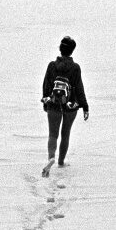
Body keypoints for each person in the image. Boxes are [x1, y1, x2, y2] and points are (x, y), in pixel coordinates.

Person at [40, 36, 89, 177]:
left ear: (60, 49)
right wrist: (85, 106)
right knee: (65, 134)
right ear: (72, 51)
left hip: (53, 103)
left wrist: (46, 102)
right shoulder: (75, 68)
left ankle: (51, 158)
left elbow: (46, 86)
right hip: (70, 105)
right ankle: (61, 162)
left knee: (53, 134)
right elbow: (79, 88)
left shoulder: (51, 66)